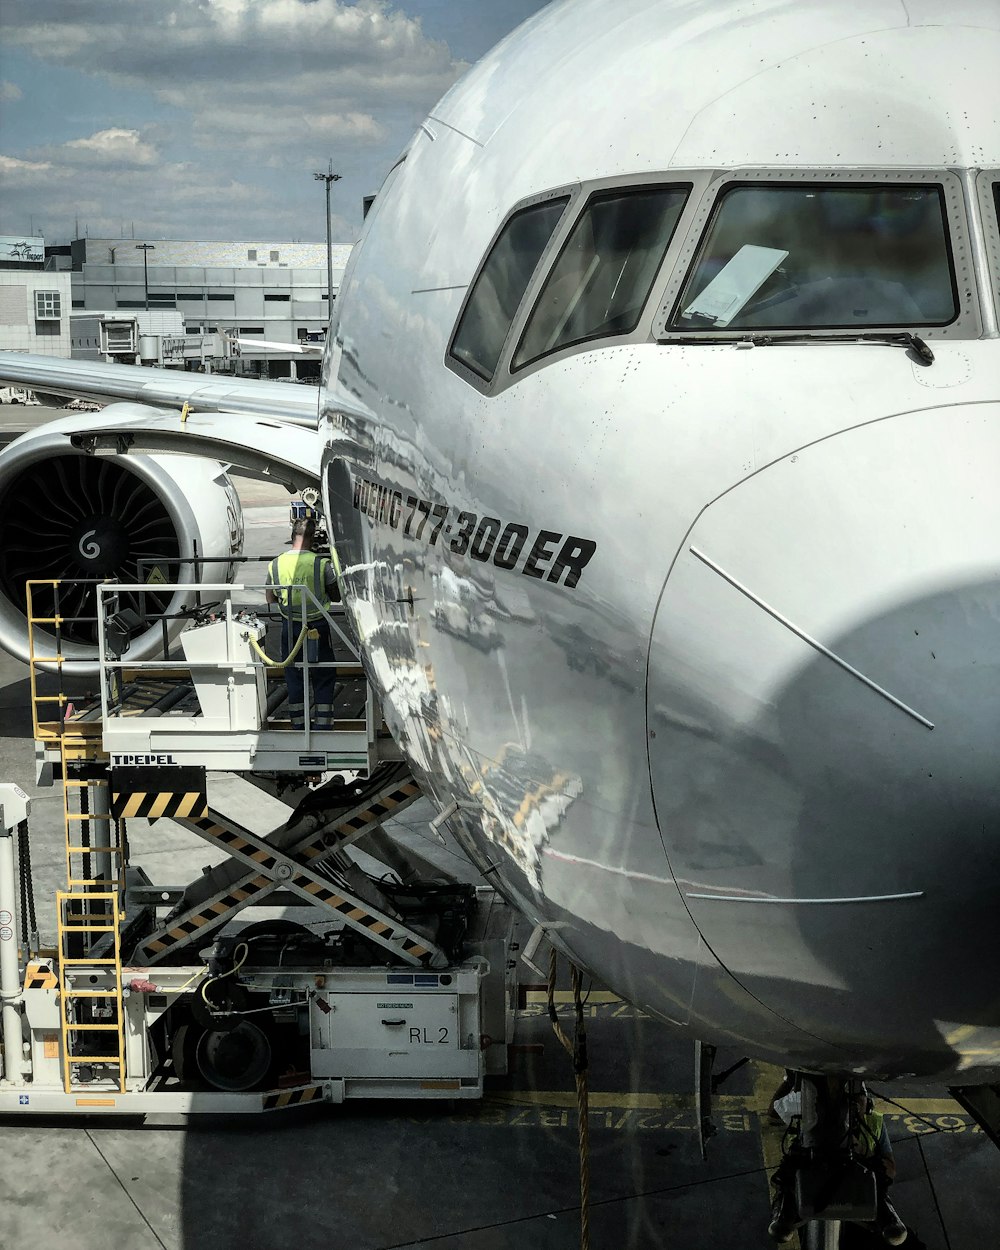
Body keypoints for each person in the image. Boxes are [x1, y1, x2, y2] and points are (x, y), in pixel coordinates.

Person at [768, 1083, 908, 1247]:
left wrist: (862, 1151)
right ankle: (783, 1210)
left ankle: (886, 1213)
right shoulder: (809, 1112)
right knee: (787, 1178)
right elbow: (773, 1115)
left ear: (867, 1103)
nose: (852, 1104)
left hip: (857, 1180)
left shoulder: (874, 1122)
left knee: (879, 1183)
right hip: (811, 1169)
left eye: (857, 1099)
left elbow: (890, 1170)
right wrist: (789, 1082)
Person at [264, 516, 340, 730]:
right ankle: (323, 725)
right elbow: (335, 596)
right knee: (323, 673)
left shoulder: (276, 564)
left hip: (291, 627)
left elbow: (270, 598)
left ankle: (298, 724)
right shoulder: (321, 564)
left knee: (294, 673)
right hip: (317, 626)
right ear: (312, 537)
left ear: (292, 536)